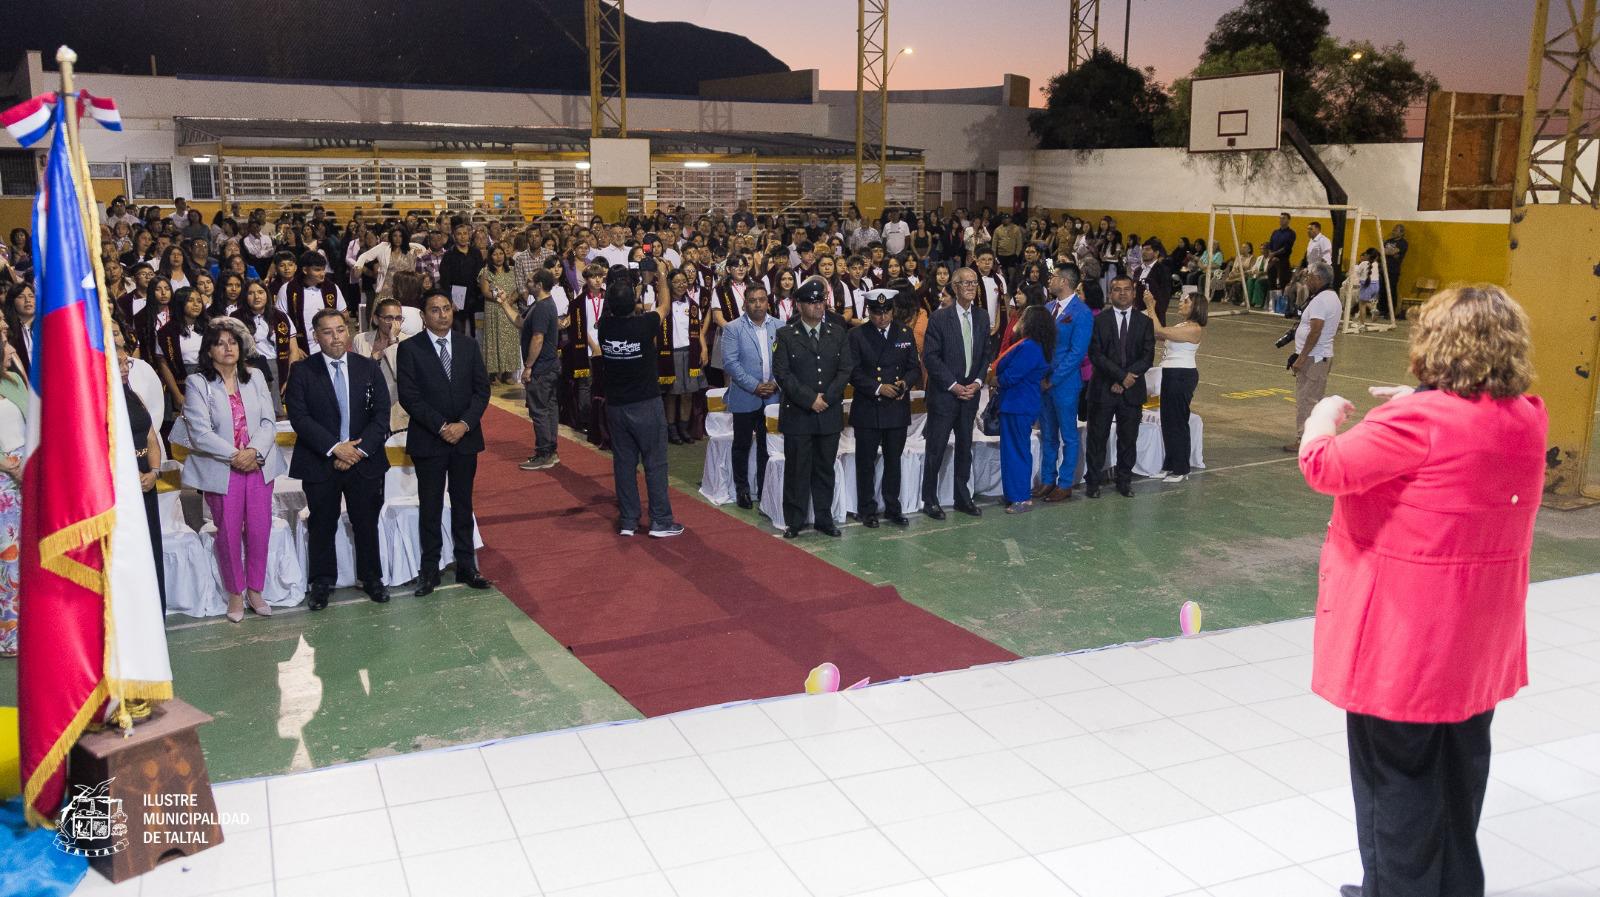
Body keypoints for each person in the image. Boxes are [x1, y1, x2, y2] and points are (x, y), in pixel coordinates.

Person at [1298, 285, 1546, 897]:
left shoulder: (1416, 421)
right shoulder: (1527, 416)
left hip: (1404, 642)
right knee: (1459, 780)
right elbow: (1464, 435)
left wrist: (1320, 417)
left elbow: (1324, 467)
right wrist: (1422, 404)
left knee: (1396, 787)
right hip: (1476, 639)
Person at [181, 320, 287, 622]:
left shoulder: (253, 377)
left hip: (258, 465)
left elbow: (269, 421)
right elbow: (199, 432)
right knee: (227, 533)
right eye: (220, 343)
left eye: (233, 342)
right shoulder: (198, 383)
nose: (228, 348)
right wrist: (235, 455)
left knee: (259, 529)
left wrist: (253, 452)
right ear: (209, 351)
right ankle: (235, 593)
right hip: (221, 468)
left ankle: (256, 589)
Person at [285, 309, 391, 609]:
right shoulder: (303, 372)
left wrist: (357, 451)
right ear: (315, 336)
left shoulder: (368, 368)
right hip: (321, 461)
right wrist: (335, 448)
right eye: (328, 332)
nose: (336, 337)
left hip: (364, 460)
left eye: (341, 330)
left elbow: (382, 415)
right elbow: (300, 418)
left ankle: (372, 578)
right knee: (322, 524)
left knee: (366, 522)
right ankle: (321, 582)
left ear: (348, 332)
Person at [397, 291, 493, 595]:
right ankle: (430, 569)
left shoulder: (468, 345)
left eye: (446, 309)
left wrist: (463, 425)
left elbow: (482, 391)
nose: (442, 315)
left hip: (465, 439)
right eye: (435, 310)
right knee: (431, 506)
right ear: (424, 316)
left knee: (463, 504)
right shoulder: (410, 349)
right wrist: (441, 427)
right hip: (430, 439)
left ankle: (467, 566)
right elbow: (410, 396)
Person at [597, 275, 682, 537]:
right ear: (634, 302)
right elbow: (665, 306)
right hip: (645, 404)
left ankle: (628, 520)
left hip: (616, 407)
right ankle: (660, 521)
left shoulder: (604, 327)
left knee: (623, 464)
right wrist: (663, 277)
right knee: (655, 463)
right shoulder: (644, 324)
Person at [773, 277, 853, 538]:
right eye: (812, 302)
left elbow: (845, 370)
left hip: (828, 413)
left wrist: (827, 398)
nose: (819, 307)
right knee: (797, 469)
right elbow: (782, 374)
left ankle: (823, 517)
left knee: (824, 469)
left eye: (821, 301)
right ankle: (794, 520)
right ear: (799, 305)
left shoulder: (837, 332)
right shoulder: (786, 334)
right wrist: (810, 399)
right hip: (799, 413)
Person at [920, 267, 992, 519]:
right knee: (936, 449)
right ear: (955, 286)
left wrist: (978, 381)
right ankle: (929, 499)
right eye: (966, 283)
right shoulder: (940, 318)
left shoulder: (982, 317)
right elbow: (930, 356)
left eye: (974, 283)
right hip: (944, 395)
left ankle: (963, 497)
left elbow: (985, 354)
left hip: (970, 394)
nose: (971, 287)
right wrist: (953, 385)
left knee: (964, 448)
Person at [847, 288, 920, 528]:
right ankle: (867, 509)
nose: (882, 317)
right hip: (869, 406)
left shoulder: (904, 333)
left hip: (896, 408)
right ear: (869, 311)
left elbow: (914, 368)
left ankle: (892, 507)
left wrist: (905, 383)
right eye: (877, 312)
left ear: (892, 310)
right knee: (865, 463)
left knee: (893, 462)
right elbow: (852, 372)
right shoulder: (857, 335)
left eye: (886, 311)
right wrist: (878, 388)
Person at [1085, 275, 1155, 498]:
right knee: (1097, 438)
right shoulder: (1098, 321)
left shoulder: (1144, 322)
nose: (1122, 293)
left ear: (1134, 293)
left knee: (1128, 439)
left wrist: (1127, 380)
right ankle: (1093, 483)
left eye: (1127, 289)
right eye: (1117, 289)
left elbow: (1148, 357)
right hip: (1103, 389)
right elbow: (1095, 354)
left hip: (1131, 392)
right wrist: (1120, 377)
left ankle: (1124, 481)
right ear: (1110, 293)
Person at [113, 322, 166, 612]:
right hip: (120, 487)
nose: (125, 368)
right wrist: (128, 475)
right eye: (118, 363)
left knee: (151, 546)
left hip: (146, 481)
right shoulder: (100, 400)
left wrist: (154, 472)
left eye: (126, 362)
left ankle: (154, 608)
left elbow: (150, 437)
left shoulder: (134, 394)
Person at [1034, 264, 1093, 502]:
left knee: (1068, 435)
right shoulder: (1048, 308)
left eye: (1053, 276)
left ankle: (1065, 482)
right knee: (1048, 433)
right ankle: (1048, 479)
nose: (1050, 280)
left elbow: (1077, 353)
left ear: (1065, 281)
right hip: (1044, 382)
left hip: (1065, 383)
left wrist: (1053, 379)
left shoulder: (1082, 313)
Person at [720, 282, 781, 509]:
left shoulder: (779, 326)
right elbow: (731, 364)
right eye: (753, 300)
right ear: (745, 303)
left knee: (768, 446)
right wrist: (755, 386)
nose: (758, 304)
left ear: (768, 301)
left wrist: (774, 383)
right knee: (742, 445)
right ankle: (742, 489)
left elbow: (785, 361)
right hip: (746, 396)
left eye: (762, 300)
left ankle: (765, 489)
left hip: (773, 397)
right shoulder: (733, 328)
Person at [995, 305, 1055, 514]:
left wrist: (995, 379)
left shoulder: (1030, 347)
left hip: (1018, 404)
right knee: (1013, 450)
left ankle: (1021, 497)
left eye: (1023, 317)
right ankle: (1015, 493)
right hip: (1017, 403)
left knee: (1016, 451)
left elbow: (1012, 375)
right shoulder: (1035, 346)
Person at [1144, 288, 1205, 483]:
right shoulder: (1182, 324)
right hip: (1170, 373)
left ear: (1196, 307)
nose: (1181, 303)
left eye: (1186, 302)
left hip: (1182, 375)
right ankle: (1169, 464)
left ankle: (1181, 468)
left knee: (1178, 421)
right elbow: (1160, 335)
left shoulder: (1194, 328)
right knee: (1168, 420)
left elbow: (1159, 330)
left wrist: (1151, 307)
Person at [1286, 263, 1341, 451]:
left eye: (1309, 276)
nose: (1307, 280)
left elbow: (1315, 330)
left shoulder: (1320, 300)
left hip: (1314, 358)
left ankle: (1305, 440)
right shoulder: (1330, 297)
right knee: (1312, 399)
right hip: (1318, 356)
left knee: (1306, 401)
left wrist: (1301, 357)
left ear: (1318, 279)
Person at [518, 269, 562, 471]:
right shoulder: (540, 304)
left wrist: (528, 366)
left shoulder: (543, 308)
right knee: (549, 408)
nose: (527, 284)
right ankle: (551, 451)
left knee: (540, 411)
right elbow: (521, 323)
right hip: (549, 366)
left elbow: (538, 338)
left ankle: (544, 452)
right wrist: (503, 303)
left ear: (539, 285)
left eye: (530, 281)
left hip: (542, 368)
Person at [0, 315, 26, 654]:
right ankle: (8, 635)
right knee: (7, 561)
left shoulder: (15, 381)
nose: (8, 338)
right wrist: (9, 466)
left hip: (26, 480)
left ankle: (25, 628)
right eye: (3, 334)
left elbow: (33, 421)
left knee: (23, 561)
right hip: (4, 481)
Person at [352, 297, 410, 432]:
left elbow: (399, 374)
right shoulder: (360, 339)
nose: (394, 324)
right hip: (366, 412)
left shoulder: (408, 342)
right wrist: (377, 355)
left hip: (395, 413)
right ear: (376, 319)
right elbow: (356, 374)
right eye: (389, 318)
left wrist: (393, 341)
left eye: (398, 318)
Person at [478, 242, 523, 384]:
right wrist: (500, 299)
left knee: (510, 340)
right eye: (495, 254)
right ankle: (493, 374)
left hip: (511, 308)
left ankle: (508, 373)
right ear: (490, 257)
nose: (498, 257)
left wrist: (509, 300)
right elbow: (485, 291)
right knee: (494, 340)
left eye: (501, 253)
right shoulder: (486, 272)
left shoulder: (513, 270)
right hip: (494, 309)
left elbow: (519, 288)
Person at [1137, 238, 1175, 324]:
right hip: (1137, 314)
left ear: (1156, 253)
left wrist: (1158, 313)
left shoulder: (1163, 271)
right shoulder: (1137, 270)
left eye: (1147, 249)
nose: (1144, 252)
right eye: (1143, 249)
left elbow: (1165, 295)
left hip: (1154, 315)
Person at [1265, 212, 1296, 304]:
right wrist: (1271, 255)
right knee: (1271, 282)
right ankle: (1272, 304)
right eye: (1280, 218)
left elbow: (1287, 247)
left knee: (1282, 283)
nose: (1281, 220)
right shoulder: (1275, 232)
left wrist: (1274, 254)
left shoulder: (1291, 233)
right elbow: (1270, 244)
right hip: (1273, 260)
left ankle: (1282, 305)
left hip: (1283, 261)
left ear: (1288, 220)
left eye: (1283, 218)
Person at [1383, 224, 1409, 320]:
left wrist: (1389, 251)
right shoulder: (1388, 241)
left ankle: (1391, 311)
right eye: (1393, 229)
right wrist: (1389, 251)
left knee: (1391, 290)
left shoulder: (1403, 243)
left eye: (1395, 230)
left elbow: (1392, 252)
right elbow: (1382, 251)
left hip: (1393, 270)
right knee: (1383, 290)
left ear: (1401, 232)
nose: (1393, 231)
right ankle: (1383, 310)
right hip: (1383, 269)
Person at [1354, 248, 1382, 331]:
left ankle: (1362, 324)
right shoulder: (1376, 264)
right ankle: (1373, 309)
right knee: (1367, 301)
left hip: (1367, 286)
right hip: (1376, 286)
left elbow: (1358, 273)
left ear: (1367, 255)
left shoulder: (1363, 263)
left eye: (1365, 254)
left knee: (1361, 305)